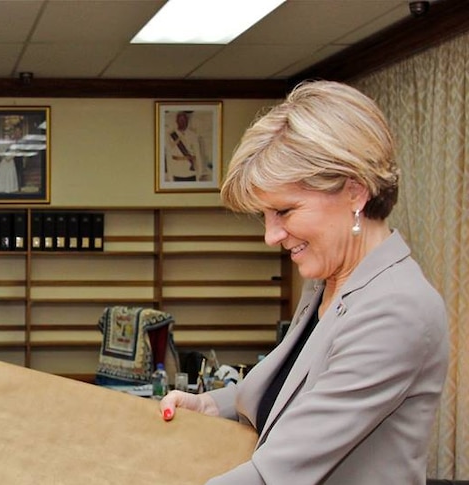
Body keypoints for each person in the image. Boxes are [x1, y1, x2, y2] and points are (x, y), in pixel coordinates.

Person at [160, 81, 448, 484]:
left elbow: (277, 473)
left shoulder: (398, 308)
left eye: (284, 211)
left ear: (355, 191)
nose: (271, 235)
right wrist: (211, 405)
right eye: (265, 215)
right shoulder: (327, 283)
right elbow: (295, 391)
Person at [165, 110, 208, 182]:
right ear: (177, 121)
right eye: (180, 120)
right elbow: (169, 155)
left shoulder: (193, 135)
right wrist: (170, 174)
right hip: (177, 170)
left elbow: (198, 154)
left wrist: (200, 171)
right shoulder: (171, 135)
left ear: (187, 121)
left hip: (191, 171)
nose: (183, 122)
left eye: (184, 120)